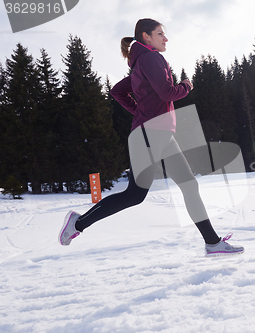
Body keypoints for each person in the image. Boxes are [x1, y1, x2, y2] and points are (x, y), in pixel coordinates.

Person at [58, 18, 244, 258]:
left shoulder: (139, 64)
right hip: (150, 135)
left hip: (159, 134)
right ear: (146, 37)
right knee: (135, 195)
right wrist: (186, 86)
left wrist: (141, 112)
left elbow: (118, 91)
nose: (165, 38)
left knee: (189, 185)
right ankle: (78, 223)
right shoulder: (151, 58)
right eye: (160, 34)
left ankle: (212, 242)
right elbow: (167, 92)